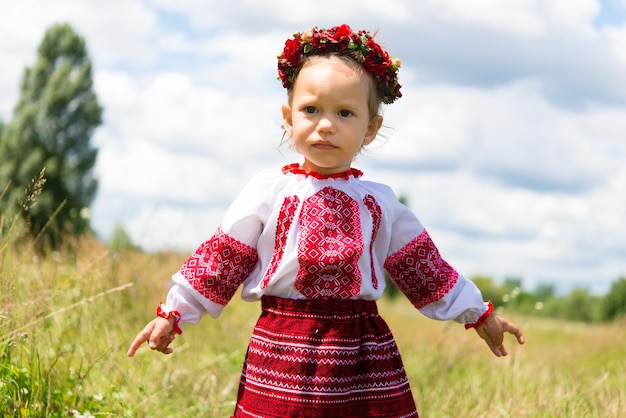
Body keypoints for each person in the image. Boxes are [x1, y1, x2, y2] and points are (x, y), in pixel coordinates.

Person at [127, 24, 525, 417]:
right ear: (288, 116)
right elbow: (221, 260)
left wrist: (478, 314)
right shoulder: (268, 193)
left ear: (371, 128)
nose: (326, 124)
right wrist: (174, 313)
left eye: (345, 112)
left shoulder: (380, 203)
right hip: (282, 349)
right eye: (311, 109)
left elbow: (427, 271)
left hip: (363, 355)